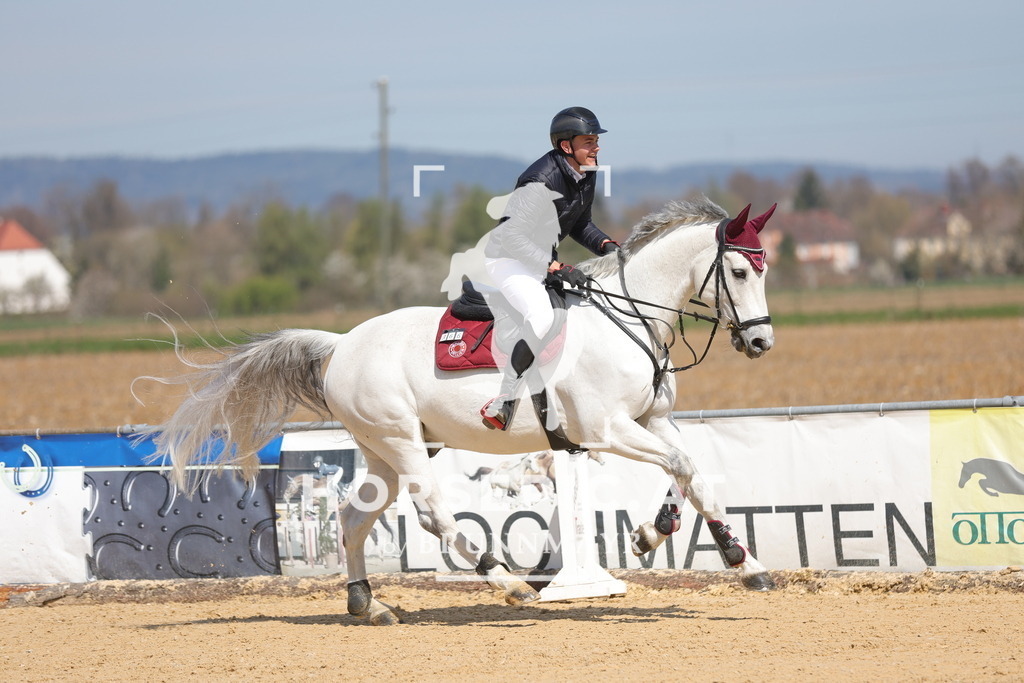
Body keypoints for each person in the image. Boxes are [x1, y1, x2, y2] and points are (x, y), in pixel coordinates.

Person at [478, 106, 621, 430]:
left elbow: (580, 224)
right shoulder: (539, 180)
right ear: (566, 146)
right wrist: (555, 267)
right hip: (508, 259)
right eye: (589, 142)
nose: (596, 148)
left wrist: (608, 247)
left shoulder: (586, 171)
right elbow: (512, 235)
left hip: (539, 260)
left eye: (596, 140)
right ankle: (504, 400)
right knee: (541, 317)